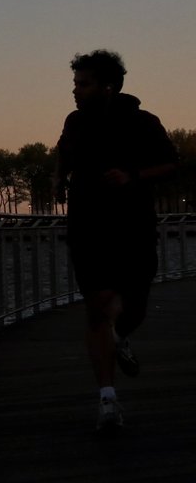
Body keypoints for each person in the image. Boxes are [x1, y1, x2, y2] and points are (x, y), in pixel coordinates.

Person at [54, 50, 178, 432]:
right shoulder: (74, 122)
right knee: (99, 306)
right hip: (87, 227)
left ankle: (121, 336)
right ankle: (107, 401)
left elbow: (172, 163)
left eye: (83, 84)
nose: (75, 90)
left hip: (133, 227)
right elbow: (61, 153)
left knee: (134, 307)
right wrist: (57, 179)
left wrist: (132, 177)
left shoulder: (143, 122)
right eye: (75, 83)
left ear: (107, 87)